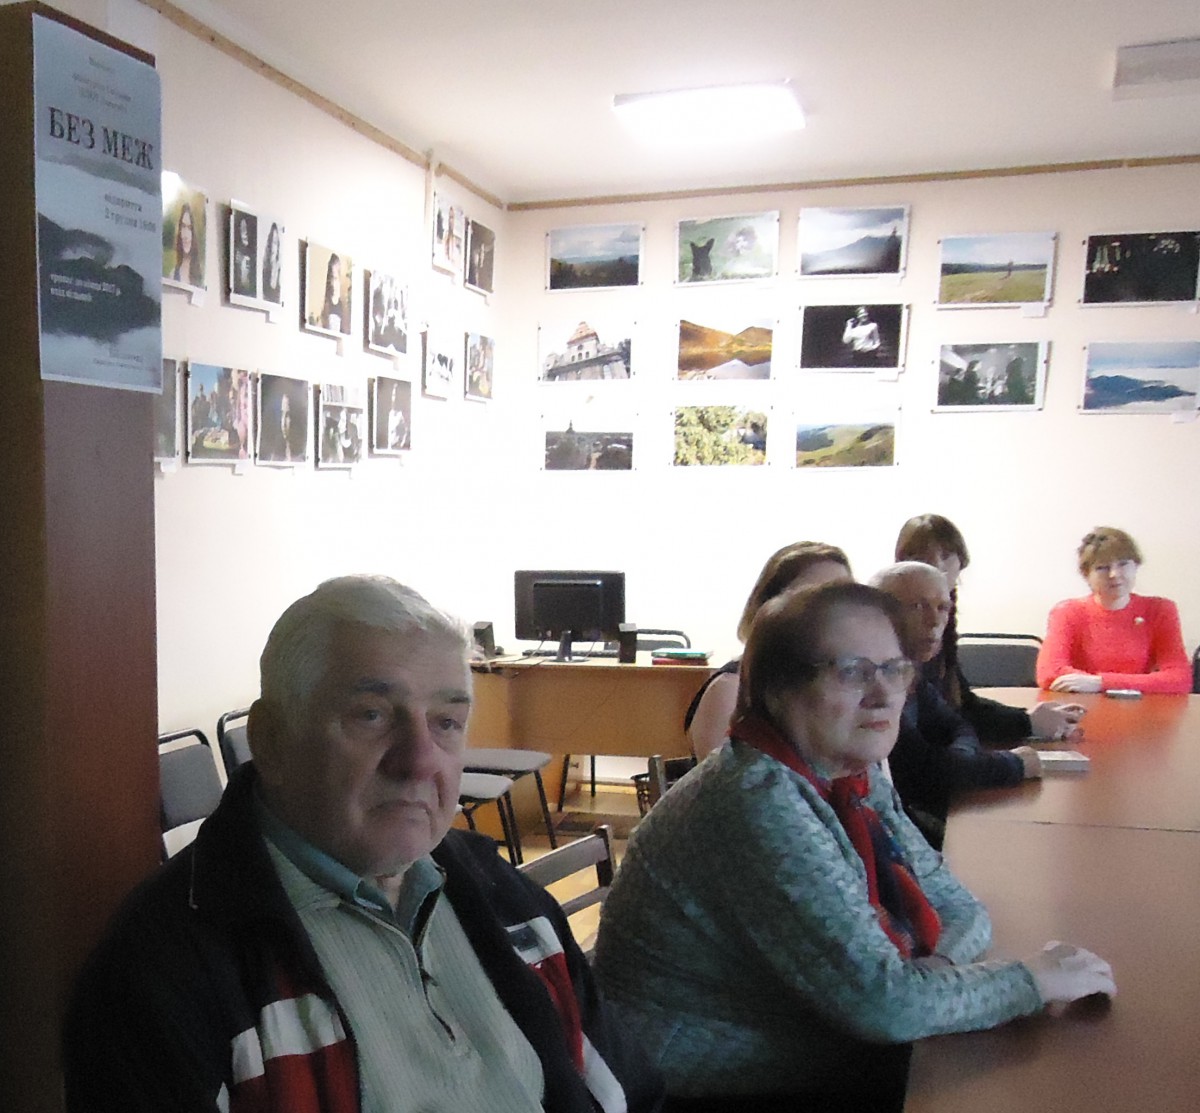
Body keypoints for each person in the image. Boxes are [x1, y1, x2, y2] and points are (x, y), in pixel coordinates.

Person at [64, 576, 662, 1113]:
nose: (421, 760)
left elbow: (625, 1092)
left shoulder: (501, 893)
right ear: (271, 741)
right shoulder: (160, 975)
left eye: (446, 722)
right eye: (372, 715)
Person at [594, 581, 1114, 1110]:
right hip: (699, 1083)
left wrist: (930, 974)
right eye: (851, 671)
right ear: (778, 688)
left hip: (805, 1034)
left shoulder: (849, 775)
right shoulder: (757, 800)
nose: (883, 693)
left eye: (894, 669)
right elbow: (885, 1008)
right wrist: (1026, 982)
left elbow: (957, 907)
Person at [871, 563, 1041, 840]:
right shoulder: (875, 684)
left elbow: (957, 723)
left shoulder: (910, 671)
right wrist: (1014, 764)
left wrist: (960, 760)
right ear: (877, 613)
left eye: (943, 608)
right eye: (917, 606)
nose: (934, 621)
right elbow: (929, 773)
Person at [895, 513, 1084, 743]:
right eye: (920, 557)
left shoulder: (944, 626)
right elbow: (937, 729)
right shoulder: (898, 631)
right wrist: (1027, 724)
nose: (935, 566)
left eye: (945, 556)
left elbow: (961, 705)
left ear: (961, 563)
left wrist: (1030, 719)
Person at [685, 541, 853, 760]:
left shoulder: (848, 689)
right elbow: (730, 780)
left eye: (843, 597)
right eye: (811, 597)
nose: (832, 611)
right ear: (768, 608)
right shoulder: (730, 691)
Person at [1037, 526, 1191, 694]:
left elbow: (1179, 678)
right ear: (1086, 575)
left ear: (1136, 566)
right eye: (1102, 567)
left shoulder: (1160, 610)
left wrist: (1101, 683)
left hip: (1141, 706)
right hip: (1080, 704)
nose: (1114, 574)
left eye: (1123, 564)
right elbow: (1049, 672)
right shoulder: (1067, 612)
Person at [171, 200, 202, 286]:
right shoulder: (173, 275)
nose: (186, 235)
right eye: (183, 227)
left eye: (189, 228)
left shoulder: (201, 275)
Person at [320, 252, 351, 334]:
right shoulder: (326, 304)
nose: (334, 283)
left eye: (336, 279)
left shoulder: (344, 306)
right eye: (332, 279)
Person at [262, 221, 282, 304]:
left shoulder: (280, 268)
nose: (274, 246)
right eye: (272, 242)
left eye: (276, 243)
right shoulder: (264, 267)